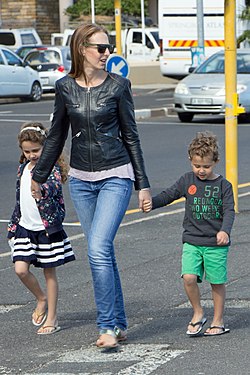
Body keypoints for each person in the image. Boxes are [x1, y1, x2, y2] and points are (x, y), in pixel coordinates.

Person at [30, 23, 151, 348]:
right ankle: (120, 323)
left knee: (97, 249)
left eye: (108, 47)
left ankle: (108, 327)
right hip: (82, 181)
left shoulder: (118, 86)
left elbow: (131, 136)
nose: (106, 52)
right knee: (103, 252)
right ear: (82, 48)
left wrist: (143, 184)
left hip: (117, 175)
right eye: (101, 47)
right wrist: (38, 176)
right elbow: (56, 135)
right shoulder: (65, 87)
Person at [143, 131, 235, 337]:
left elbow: (229, 211)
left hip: (215, 243)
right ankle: (198, 312)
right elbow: (170, 195)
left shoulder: (223, 186)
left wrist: (224, 231)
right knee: (189, 277)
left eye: (206, 166)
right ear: (190, 161)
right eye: (197, 166)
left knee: (216, 282)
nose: (201, 171)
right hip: (192, 241)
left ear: (215, 162)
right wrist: (153, 203)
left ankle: (218, 320)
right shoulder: (187, 180)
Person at [8, 122, 75, 335]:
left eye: (35, 150)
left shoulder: (51, 169)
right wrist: (13, 226)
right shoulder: (22, 168)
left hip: (46, 230)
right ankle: (41, 298)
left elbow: (54, 187)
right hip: (24, 228)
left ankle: (53, 319)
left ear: (45, 147)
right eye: (27, 151)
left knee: (49, 274)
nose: (31, 155)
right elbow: (19, 201)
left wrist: (41, 189)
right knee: (20, 269)